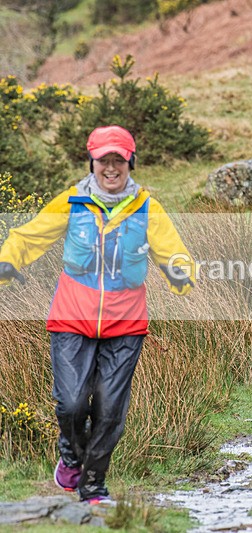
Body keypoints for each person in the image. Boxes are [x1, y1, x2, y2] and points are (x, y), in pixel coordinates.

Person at [0, 125, 196, 504]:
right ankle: (72, 458)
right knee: (71, 403)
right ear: (92, 162)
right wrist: (7, 261)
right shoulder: (72, 201)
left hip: (126, 324)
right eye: (103, 159)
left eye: (118, 160)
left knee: (108, 412)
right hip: (71, 318)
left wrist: (179, 272)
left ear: (130, 162)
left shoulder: (146, 207)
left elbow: (174, 251)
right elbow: (29, 236)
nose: (110, 167)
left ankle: (93, 487)